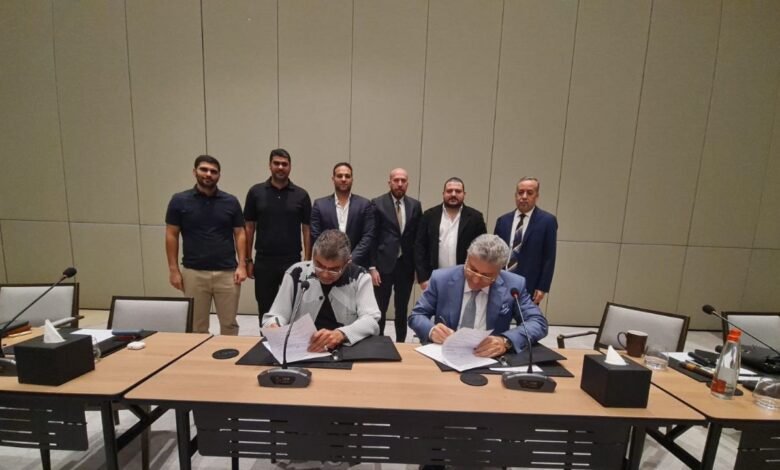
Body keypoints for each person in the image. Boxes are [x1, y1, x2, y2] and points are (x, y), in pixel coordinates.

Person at [408, 234, 547, 357]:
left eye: (486, 276)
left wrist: (505, 341)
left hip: (489, 357)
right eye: (472, 270)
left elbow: (537, 322)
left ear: (499, 271)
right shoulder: (441, 279)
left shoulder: (514, 284)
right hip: (444, 353)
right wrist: (432, 330)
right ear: (467, 259)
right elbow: (417, 315)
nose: (475, 280)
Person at [165, 155, 247, 335]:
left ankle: (228, 353)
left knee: (229, 324)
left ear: (219, 175)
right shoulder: (179, 200)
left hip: (227, 272)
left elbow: (240, 233)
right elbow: (171, 235)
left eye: (213, 171)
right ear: (194, 172)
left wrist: (242, 265)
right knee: (196, 326)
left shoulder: (230, 201)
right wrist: (173, 270)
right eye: (204, 169)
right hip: (194, 272)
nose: (208, 174)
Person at [263, 229, 380, 352]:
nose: (325, 274)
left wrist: (341, 334)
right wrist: (274, 325)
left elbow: (371, 320)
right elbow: (276, 315)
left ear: (347, 262)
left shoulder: (360, 277)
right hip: (302, 349)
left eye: (334, 270)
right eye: (319, 265)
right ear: (313, 256)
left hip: (344, 349)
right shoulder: (296, 273)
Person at [244, 148, 312, 323]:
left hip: (292, 260)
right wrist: (248, 260)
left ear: (290, 167)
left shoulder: (301, 195)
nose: (280, 167)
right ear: (270, 165)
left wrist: (307, 261)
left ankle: (292, 339)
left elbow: (307, 229)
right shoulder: (256, 192)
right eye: (276, 163)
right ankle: (266, 339)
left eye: (284, 164)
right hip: (264, 261)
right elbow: (249, 227)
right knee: (265, 307)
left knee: (295, 307)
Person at [369, 168, 422, 342]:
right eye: (396, 180)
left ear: (407, 183)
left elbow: (417, 239)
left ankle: (401, 343)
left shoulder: (415, 205)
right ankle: (379, 343)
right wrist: (372, 267)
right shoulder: (377, 203)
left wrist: (418, 269)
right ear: (389, 182)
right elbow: (372, 237)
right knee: (380, 308)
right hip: (383, 266)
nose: (400, 184)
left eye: (403, 181)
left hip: (405, 266)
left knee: (402, 309)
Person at [493, 177, 557, 304]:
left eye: (529, 193)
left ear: (537, 196)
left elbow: (549, 257)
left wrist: (542, 287)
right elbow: (495, 254)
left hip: (529, 285)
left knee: (524, 316)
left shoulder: (547, 221)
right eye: (520, 192)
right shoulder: (503, 221)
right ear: (515, 195)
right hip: (501, 282)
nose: (524, 196)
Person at [414, 177, 486, 290]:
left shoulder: (475, 218)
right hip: (434, 278)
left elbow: (482, 250)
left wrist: (476, 277)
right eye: (449, 191)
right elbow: (420, 247)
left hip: (465, 280)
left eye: (458, 191)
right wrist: (423, 278)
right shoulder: (429, 216)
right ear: (443, 194)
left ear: (464, 194)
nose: (453, 194)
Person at [310, 162, 375, 268]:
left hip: (357, 264)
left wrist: (352, 258)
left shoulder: (364, 204)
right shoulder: (319, 205)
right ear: (333, 179)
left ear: (352, 179)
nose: (343, 179)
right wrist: (331, 258)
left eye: (347, 176)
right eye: (339, 176)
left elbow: (368, 236)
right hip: (327, 265)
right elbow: (316, 235)